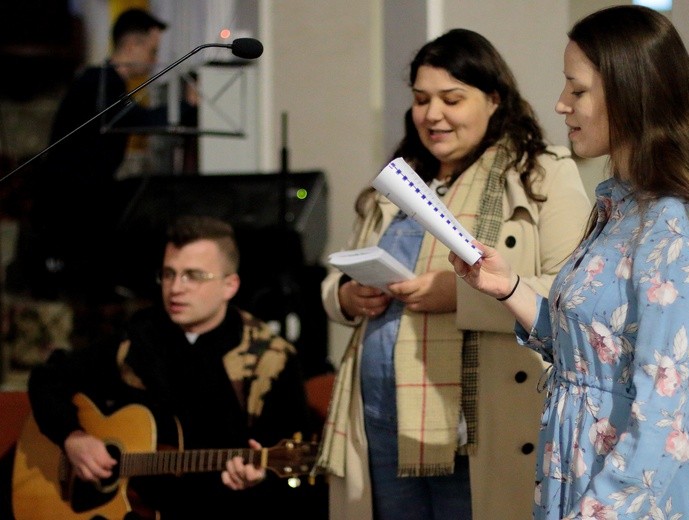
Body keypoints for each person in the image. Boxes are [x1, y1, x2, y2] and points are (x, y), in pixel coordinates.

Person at [450, 6, 689, 519]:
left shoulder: (675, 228)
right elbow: (588, 351)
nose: (561, 105)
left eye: (578, 90)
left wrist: (599, 510)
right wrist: (506, 287)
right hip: (579, 470)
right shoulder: (618, 205)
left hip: (627, 497)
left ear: (632, 92)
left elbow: (664, 417)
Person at [317, 28, 591, 519]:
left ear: (493, 100)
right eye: (421, 100)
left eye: (451, 99)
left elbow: (571, 294)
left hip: (480, 428)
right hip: (381, 425)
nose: (432, 114)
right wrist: (346, 295)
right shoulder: (401, 181)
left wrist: (460, 295)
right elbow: (343, 266)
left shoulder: (543, 174)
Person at [26, 215, 317, 519]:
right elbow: (49, 378)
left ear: (230, 285)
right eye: (168, 274)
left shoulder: (271, 359)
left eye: (193, 276)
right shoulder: (139, 335)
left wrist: (258, 480)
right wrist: (73, 437)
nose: (176, 288)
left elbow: (293, 476)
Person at [28, 8, 195, 304]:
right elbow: (139, 120)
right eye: (152, 50)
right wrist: (186, 106)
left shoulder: (103, 83)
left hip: (80, 198)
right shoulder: (99, 82)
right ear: (131, 45)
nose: (155, 60)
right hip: (69, 203)